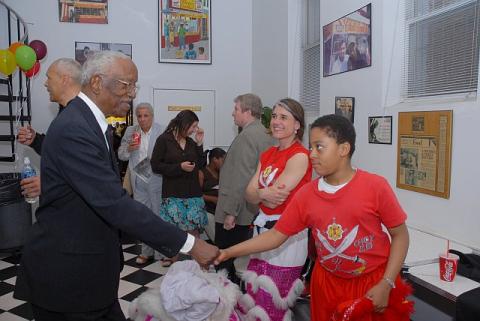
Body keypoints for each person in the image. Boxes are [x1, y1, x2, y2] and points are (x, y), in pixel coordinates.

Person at [14, 51, 219, 321]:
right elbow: (113, 202)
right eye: (126, 84)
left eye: (134, 85)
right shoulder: (75, 127)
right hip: (68, 281)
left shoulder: (92, 123)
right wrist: (190, 243)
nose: (132, 93)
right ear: (97, 82)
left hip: (89, 276)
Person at [215, 114, 412, 321]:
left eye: (319, 147)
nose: (311, 154)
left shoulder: (375, 187)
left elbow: (400, 236)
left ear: (343, 149)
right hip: (326, 284)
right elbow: (275, 235)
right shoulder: (307, 194)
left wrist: (387, 283)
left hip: (373, 282)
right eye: (311, 147)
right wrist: (227, 252)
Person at [240, 98, 312, 321]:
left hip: (286, 235)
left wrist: (259, 193)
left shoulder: (300, 155)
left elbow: (277, 198)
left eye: (284, 117)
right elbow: (250, 194)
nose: (276, 122)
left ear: (297, 125)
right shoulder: (268, 154)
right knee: (255, 294)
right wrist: (262, 193)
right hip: (263, 230)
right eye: (275, 117)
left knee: (274, 301)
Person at [214, 93, 275, 283]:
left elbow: (240, 178)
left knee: (224, 260)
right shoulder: (266, 134)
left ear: (247, 112)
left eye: (236, 109)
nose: (233, 114)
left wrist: (230, 212)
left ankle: (226, 299)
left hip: (236, 212)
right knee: (244, 261)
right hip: (253, 209)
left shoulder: (246, 137)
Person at [16, 58, 82, 201]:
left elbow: (86, 169)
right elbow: (62, 152)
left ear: (65, 79)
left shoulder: (80, 116)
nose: (46, 83)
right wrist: (35, 140)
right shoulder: (67, 111)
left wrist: (50, 183)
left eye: (49, 78)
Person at [151, 110, 208, 267]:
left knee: (194, 230)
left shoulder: (191, 142)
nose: (194, 130)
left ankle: (199, 258)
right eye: (193, 126)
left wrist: (199, 143)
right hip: (173, 192)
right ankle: (172, 256)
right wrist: (179, 167)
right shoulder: (164, 140)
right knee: (173, 230)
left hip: (192, 192)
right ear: (184, 123)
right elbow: (155, 166)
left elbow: (201, 165)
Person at [118, 102, 165, 265]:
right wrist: (130, 148)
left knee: (158, 217)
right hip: (138, 179)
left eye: (146, 115)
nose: (143, 119)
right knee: (143, 217)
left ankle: (161, 253)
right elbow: (121, 155)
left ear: (152, 116)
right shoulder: (131, 131)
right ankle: (146, 251)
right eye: (139, 116)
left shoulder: (162, 130)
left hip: (157, 178)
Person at [198, 147, 226, 241]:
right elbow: (196, 195)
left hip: (221, 208)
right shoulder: (202, 173)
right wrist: (212, 199)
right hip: (207, 209)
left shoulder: (222, 172)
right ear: (214, 159)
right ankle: (220, 247)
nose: (225, 163)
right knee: (209, 222)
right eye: (223, 160)